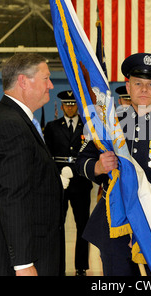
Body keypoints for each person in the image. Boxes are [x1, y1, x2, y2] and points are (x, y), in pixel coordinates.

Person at [76, 53, 151, 276]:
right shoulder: (107, 124)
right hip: (114, 224)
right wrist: (98, 167)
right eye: (138, 83)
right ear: (128, 87)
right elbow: (82, 161)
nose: (144, 89)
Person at [0, 53, 65, 276]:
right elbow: (12, 196)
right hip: (11, 255)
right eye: (45, 78)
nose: (50, 85)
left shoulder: (14, 120)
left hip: (19, 247)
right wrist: (22, 263)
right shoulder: (10, 126)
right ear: (23, 81)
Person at [43, 90, 93, 276]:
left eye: (73, 104)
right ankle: (58, 266)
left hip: (81, 183)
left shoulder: (87, 127)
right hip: (59, 183)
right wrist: (57, 174)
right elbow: (47, 155)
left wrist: (77, 170)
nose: (70, 107)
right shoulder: (52, 127)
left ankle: (81, 266)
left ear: (77, 106)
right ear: (62, 106)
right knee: (58, 225)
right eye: (67, 104)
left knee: (83, 225)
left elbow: (90, 153)